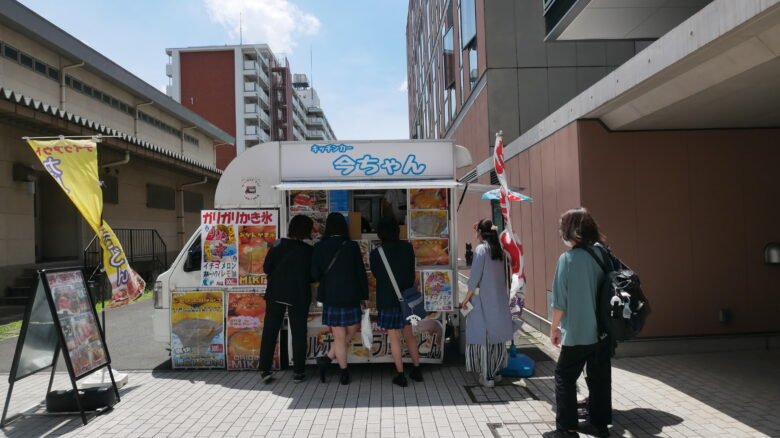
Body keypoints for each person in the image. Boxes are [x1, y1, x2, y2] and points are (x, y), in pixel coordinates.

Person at [550, 208, 611, 438]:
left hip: (577, 332)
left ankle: (567, 428)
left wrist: (553, 328)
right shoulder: (601, 255)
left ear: (571, 232)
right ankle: (600, 424)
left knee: (564, 376)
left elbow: (559, 302)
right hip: (603, 333)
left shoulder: (567, 260)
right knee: (599, 378)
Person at [312, 212, 369, 385]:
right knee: (350, 332)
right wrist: (365, 296)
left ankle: (327, 359)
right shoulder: (351, 246)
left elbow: (314, 274)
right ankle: (344, 372)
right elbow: (361, 273)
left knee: (341, 336)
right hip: (351, 296)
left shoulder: (319, 247)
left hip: (331, 297)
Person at [259, 215, 314, 383]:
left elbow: (266, 268)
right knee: (298, 332)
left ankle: (265, 370)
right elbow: (313, 276)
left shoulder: (278, 244)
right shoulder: (309, 251)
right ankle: (298, 372)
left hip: (276, 294)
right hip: (298, 295)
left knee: (270, 331)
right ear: (307, 231)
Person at [369, 216, 422, 387]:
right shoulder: (407, 248)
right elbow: (411, 273)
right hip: (407, 300)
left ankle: (401, 375)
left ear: (380, 233)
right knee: (409, 335)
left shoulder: (376, 253)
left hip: (388, 301)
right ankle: (417, 370)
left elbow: (377, 276)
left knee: (394, 339)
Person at [460, 219, 513, 388]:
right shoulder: (500, 250)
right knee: (497, 337)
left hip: (483, 300)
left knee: (484, 338)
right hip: (499, 300)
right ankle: (496, 372)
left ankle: (487, 376)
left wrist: (466, 298)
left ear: (481, 233)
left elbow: (475, 278)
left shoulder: (481, 249)